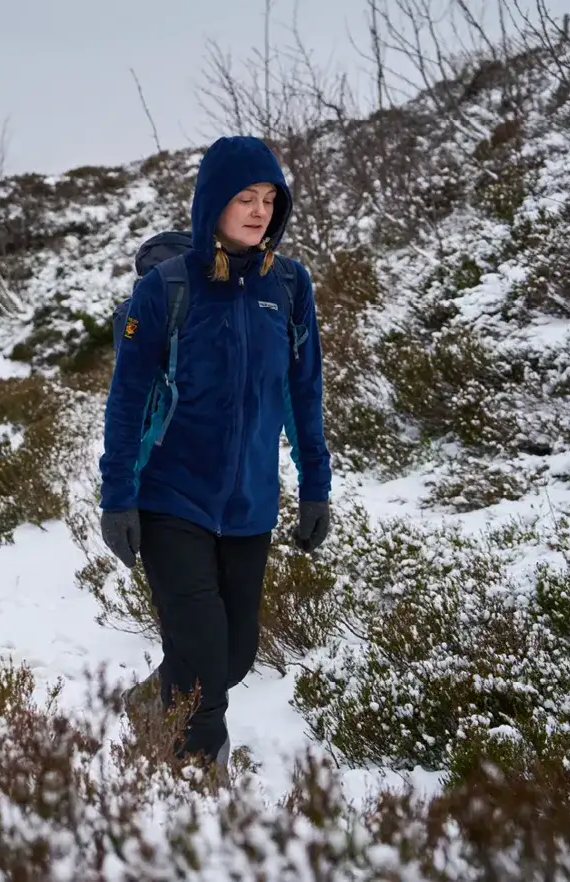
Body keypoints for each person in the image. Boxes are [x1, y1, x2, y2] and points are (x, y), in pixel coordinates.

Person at [96, 135, 333, 769]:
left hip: (251, 502)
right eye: (243, 199)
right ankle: (200, 783)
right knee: (202, 652)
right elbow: (127, 402)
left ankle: (156, 704)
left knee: (233, 656)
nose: (259, 212)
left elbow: (302, 389)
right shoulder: (167, 290)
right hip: (173, 496)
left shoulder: (288, 285)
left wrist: (316, 483)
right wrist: (117, 497)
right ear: (211, 205)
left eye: (269, 200)